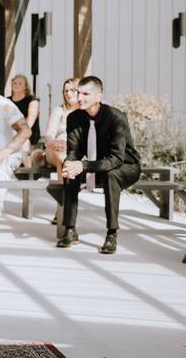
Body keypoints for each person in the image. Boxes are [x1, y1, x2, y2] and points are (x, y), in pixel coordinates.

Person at [58, 76, 141, 254]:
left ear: (98, 97)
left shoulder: (116, 117)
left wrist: (84, 165)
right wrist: (70, 164)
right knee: (71, 171)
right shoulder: (74, 118)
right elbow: (74, 151)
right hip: (97, 165)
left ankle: (112, 233)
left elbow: (117, 159)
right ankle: (70, 229)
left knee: (112, 174)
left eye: (85, 94)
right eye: (78, 93)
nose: (79, 98)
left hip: (126, 166)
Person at [0, 81, 31, 230]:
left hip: (9, 151)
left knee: (2, 166)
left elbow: (26, 130)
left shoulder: (3, 104)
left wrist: (6, 151)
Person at [42, 78, 80, 177]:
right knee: (64, 156)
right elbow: (49, 135)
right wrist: (54, 143)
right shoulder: (59, 110)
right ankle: (65, 187)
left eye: (72, 90)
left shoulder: (85, 112)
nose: (68, 93)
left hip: (77, 150)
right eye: (65, 91)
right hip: (57, 149)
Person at [9, 74, 41, 165]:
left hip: (28, 134)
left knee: (24, 142)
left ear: (25, 87)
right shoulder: (7, 101)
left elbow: (28, 125)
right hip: (10, 133)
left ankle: (27, 173)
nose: (16, 85)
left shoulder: (32, 101)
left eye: (20, 83)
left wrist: (15, 133)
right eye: (15, 83)